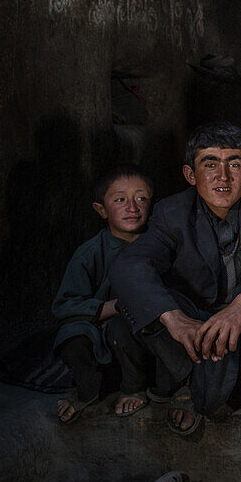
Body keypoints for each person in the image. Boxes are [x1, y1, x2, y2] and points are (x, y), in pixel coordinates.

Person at [112, 122, 241, 435]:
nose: (223, 177)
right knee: (145, 300)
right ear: (190, 175)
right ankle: (188, 381)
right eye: (210, 164)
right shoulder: (172, 213)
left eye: (234, 164)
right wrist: (175, 320)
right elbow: (129, 265)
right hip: (197, 328)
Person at [53, 165, 154, 423]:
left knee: (127, 328)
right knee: (71, 335)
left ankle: (134, 387)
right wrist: (111, 307)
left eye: (141, 198)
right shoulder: (90, 253)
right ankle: (87, 388)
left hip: (139, 343)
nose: (132, 207)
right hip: (99, 337)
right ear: (101, 210)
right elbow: (64, 305)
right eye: (120, 200)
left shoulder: (160, 245)